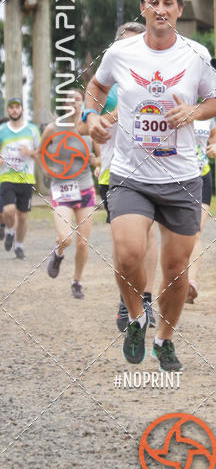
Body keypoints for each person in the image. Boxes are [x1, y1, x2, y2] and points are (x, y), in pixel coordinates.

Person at [83, 0, 216, 372]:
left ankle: (164, 339)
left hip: (181, 178)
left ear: (179, 10)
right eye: (153, 2)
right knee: (128, 254)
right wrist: (91, 117)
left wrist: (193, 111)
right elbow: (95, 87)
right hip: (131, 175)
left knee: (176, 271)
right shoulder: (120, 52)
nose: (161, 9)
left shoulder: (196, 54)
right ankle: (136, 318)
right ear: (143, 9)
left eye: (168, 3)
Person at [92, 21, 158, 331]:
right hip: (114, 171)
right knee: (126, 244)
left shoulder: (157, 80)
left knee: (149, 235)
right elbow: (82, 124)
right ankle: (126, 299)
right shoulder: (106, 86)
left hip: (153, 168)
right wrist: (109, 118)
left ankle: (146, 299)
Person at [43, 90, 97, 298]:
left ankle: (77, 282)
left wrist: (96, 162)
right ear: (64, 104)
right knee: (66, 238)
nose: (73, 103)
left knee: (83, 243)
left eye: (77, 99)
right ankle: (58, 253)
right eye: (69, 100)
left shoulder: (90, 129)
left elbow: (100, 158)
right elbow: (41, 152)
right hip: (62, 188)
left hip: (85, 189)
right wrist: (47, 168)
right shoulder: (54, 127)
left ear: (83, 103)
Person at [186, 117, 216, 304]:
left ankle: (190, 283)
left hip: (202, 177)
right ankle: (176, 279)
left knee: (196, 232)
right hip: (176, 179)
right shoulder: (170, 110)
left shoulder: (206, 114)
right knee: (178, 233)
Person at [0, 97, 40, 259]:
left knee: (22, 217)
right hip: (7, 177)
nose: (14, 110)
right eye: (11, 108)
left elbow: (40, 152)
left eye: (17, 107)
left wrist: (30, 152)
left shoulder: (32, 130)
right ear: (8, 110)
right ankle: (10, 230)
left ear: (22, 109)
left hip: (26, 178)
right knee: (8, 210)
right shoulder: (2, 130)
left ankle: (19, 246)